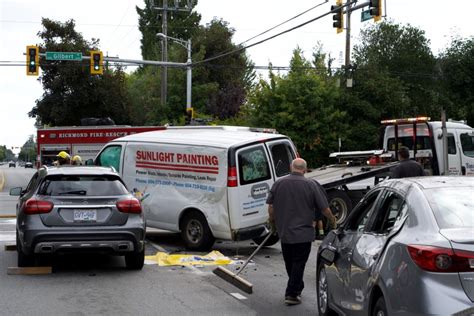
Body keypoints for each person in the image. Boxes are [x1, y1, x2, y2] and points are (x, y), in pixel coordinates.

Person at [266, 158, 337, 306]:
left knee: (290, 263)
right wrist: (332, 220)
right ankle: (292, 294)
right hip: (303, 234)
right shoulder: (311, 185)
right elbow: (324, 208)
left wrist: (272, 223)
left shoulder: (278, 184)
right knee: (298, 263)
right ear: (305, 170)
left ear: (291, 167)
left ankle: (296, 287)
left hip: (285, 233)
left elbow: (271, 207)